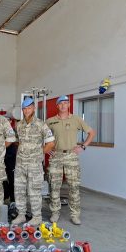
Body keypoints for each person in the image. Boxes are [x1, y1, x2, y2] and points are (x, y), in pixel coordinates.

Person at [46, 95, 95, 225]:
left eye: (65, 103)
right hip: (55, 156)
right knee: (54, 186)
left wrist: (83, 146)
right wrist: (45, 148)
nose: (63, 105)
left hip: (71, 156)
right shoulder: (50, 121)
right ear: (57, 106)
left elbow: (91, 132)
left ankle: (75, 215)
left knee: (74, 186)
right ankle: (55, 213)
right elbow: (40, 136)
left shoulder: (76, 119)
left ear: (68, 105)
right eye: (60, 103)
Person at [11, 97, 55, 226]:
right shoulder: (19, 125)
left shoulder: (41, 124)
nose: (26, 111)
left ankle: (37, 216)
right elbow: (16, 141)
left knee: (34, 191)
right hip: (20, 164)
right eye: (24, 108)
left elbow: (51, 143)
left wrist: (38, 154)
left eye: (29, 108)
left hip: (34, 165)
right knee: (19, 190)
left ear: (34, 108)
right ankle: (21, 215)